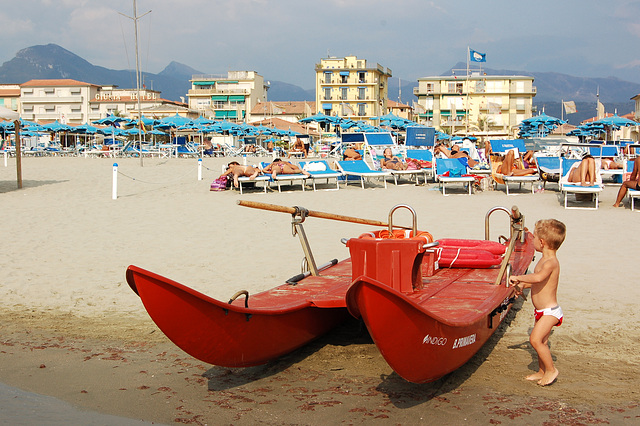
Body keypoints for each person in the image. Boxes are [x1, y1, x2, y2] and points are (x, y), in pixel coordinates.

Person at [509, 219, 566, 387]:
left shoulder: (551, 263)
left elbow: (538, 277)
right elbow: (537, 282)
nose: (532, 241)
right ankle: (542, 371)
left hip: (550, 312)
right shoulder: (542, 260)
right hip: (541, 311)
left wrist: (519, 276)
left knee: (535, 340)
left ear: (541, 242)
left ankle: (551, 370)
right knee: (542, 342)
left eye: (534, 238)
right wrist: (521, 285)